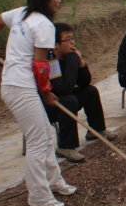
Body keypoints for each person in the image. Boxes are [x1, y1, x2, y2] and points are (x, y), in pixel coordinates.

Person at [0, 0, 76, 206]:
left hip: (16, 85)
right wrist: (47, 93)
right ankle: (38, 195)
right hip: (21, 88)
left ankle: (55, 181)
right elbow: (41, 66)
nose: (58, 0)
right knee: (37, 141)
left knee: (46, 134)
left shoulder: (19, 14)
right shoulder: (44, 25)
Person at [43, 23, 118, 163]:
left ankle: (96, 130)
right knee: (69, 100)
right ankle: (66, 147)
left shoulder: (69, 57)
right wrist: (72, 61)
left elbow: (85, 82)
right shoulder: (50, 61)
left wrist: (81, 63)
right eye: (67, 39)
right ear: (55, 45)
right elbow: (63, 88)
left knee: (90, 91)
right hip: (48, 106)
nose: (72, 43)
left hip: (66, 98)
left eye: (72, 38)